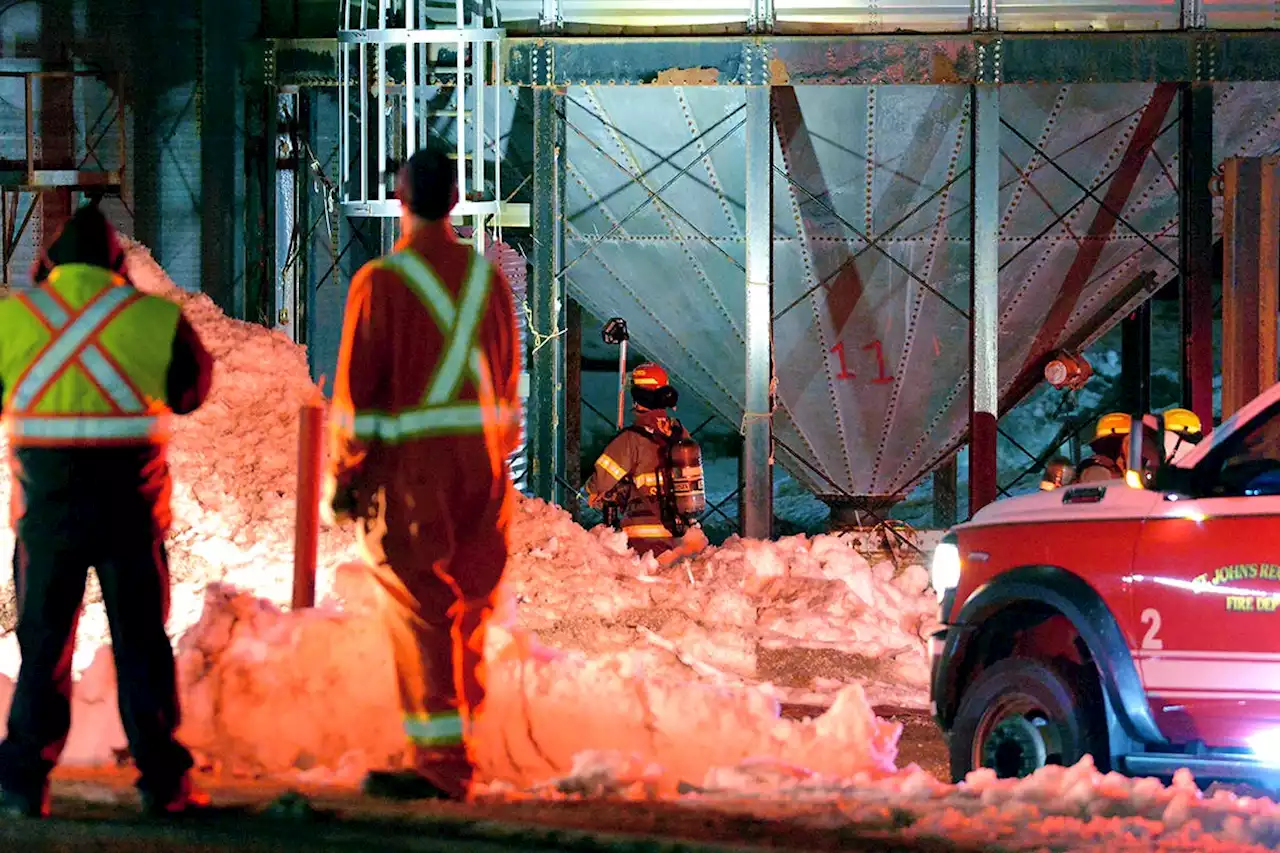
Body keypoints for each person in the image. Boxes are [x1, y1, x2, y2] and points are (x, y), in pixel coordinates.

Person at [0, 203, 213, 818]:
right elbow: (190, 393)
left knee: (43, 644)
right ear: (120, 265)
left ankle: (22, 784)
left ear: (47, 265)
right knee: (142, 642)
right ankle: (163, 783)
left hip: (45, 511)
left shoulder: (17, 320)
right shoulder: (152, 318)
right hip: (130, 509)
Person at [324, 144, 521, 802]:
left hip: (416, 471)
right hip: (486, 467)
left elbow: (358, 401)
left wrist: (344, 482)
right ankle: (458, 743)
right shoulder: (488, 282)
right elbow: (508, 382)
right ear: (457, 202)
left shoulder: (380, 282)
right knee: (468, 600)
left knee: (421, 604)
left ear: (400, 201)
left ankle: (438, 762)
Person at [585, 363, 708, 563]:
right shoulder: (679, 431)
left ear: (637, 397)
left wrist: (592, 491)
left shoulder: (630, 439)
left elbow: (600, 482)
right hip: (681, 530)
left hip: (643, 536)